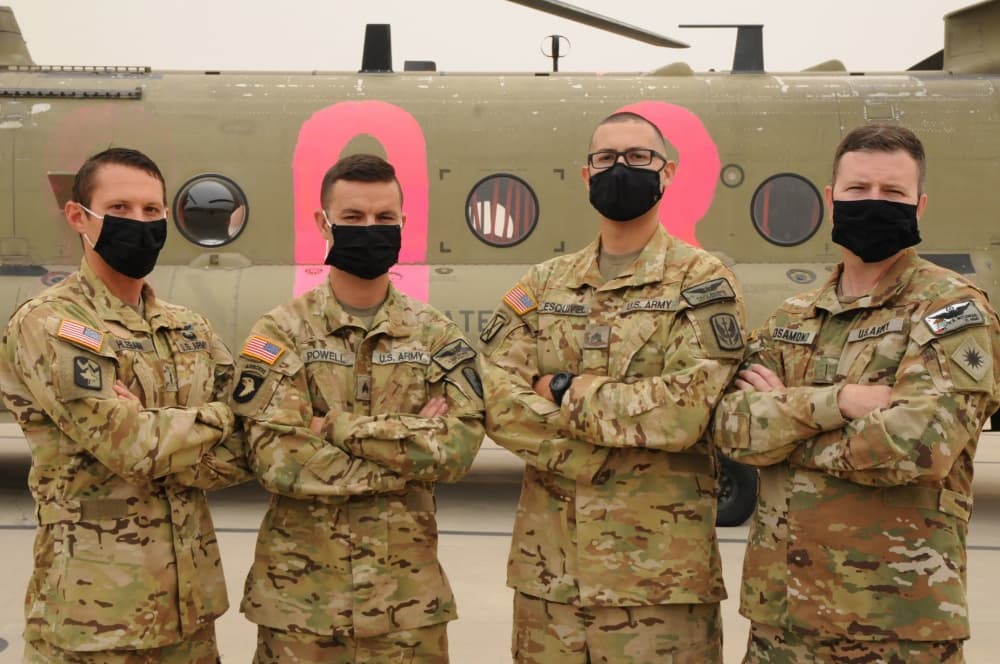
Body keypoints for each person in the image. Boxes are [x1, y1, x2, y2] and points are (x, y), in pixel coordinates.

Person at [713, 123, 1000, 663]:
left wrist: (786, 431)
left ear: (919, 204)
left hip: (896, 624)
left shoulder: (949, 311)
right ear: (830, 199)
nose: (874, 202)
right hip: (781, 622)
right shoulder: (791, 317)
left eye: (892, 192)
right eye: (858, 190)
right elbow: (731, 428)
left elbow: (919, 447)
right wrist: (838, 403)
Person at [479, 111, 746, 663]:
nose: (620, 168)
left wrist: (559, 388)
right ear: (586, 175)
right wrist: (594, 443)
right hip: (549, 582)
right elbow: (493, 394)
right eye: (606, 158)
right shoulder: (543, 283)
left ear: (666, 171)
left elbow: (685, 410)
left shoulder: (702, 280)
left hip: (658, 587)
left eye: (638, 157)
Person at [232, 153, 484, 663]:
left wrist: (334, 427)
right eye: (353, 218)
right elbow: (276, 459)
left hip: (406, 606)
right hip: (300, 606)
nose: (370, 229)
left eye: (383, 218)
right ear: (322, 223)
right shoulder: (281, 331)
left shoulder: (436, 334)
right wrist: (407, 451)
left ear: (403, 224)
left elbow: (457, 449)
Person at [0, 147, 248, 663]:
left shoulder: (189, 328)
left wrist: (160, 429)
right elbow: (130, 447)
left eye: (152, 211)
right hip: (96, 620)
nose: (139, 223)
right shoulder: (51, 323)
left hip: (190, 615)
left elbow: (254, 446)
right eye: (118, 210)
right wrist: (220, 418)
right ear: (79, 217)